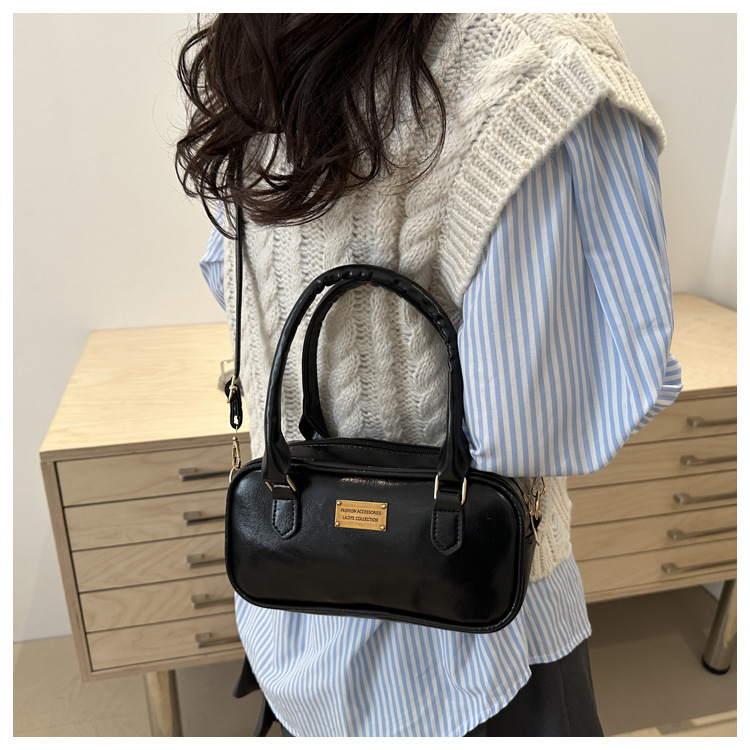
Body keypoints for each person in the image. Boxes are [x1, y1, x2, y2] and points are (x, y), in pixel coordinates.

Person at [176, 13, 682, 737]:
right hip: (470, 648)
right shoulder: (537, 64)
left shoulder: (258, 46)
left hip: (292, 598)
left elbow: (230, 284)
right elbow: (540, 422)